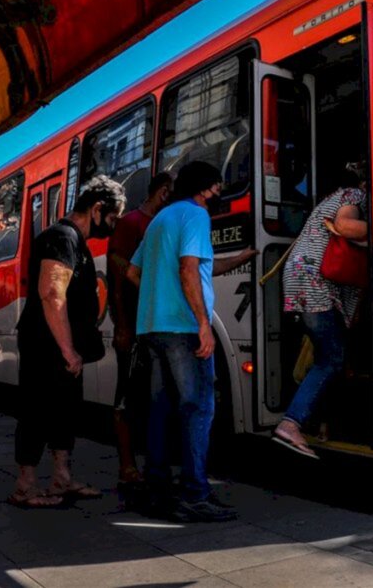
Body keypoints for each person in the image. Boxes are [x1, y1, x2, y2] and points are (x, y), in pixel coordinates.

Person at [127, 161, 255, 522]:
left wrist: (241, 258)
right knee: (199, 407)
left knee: (160, 411)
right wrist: (202, 322)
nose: (219, 195)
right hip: (183, 330)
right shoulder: (196, 215)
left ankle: (158, 492)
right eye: (217, 188)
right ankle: (195, 494)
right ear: (205, 188)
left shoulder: (160, 220)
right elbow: (187, 269)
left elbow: (134, 272)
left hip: (152, 328)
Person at [8, 174, 126, 508]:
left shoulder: (75, 241)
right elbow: (51, 293)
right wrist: (67, 349)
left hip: (62, 346)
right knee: (37, 411)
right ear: (98, 208)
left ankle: (61, 478)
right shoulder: (62, 237)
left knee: (63, 413)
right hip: (48, 345)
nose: (113, 226)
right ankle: (25, 488)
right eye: (113, 218)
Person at [272, 164, 368, 459]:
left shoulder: (329, 199)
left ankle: (317, 424)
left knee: (326, 356)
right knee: (332, 358)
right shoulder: (354, 194)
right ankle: (292, 423)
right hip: (316, 281)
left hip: (302, 278)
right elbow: (346, 226)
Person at [107, 172, 172, 494]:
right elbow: (118, 278)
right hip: (133, 324)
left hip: (156, 324)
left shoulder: (162, 224)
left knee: (154, 397)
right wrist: (122, 325)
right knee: (127, 397)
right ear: (163, 193)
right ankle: (126, 465)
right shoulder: (131, 223)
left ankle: (152, 463)